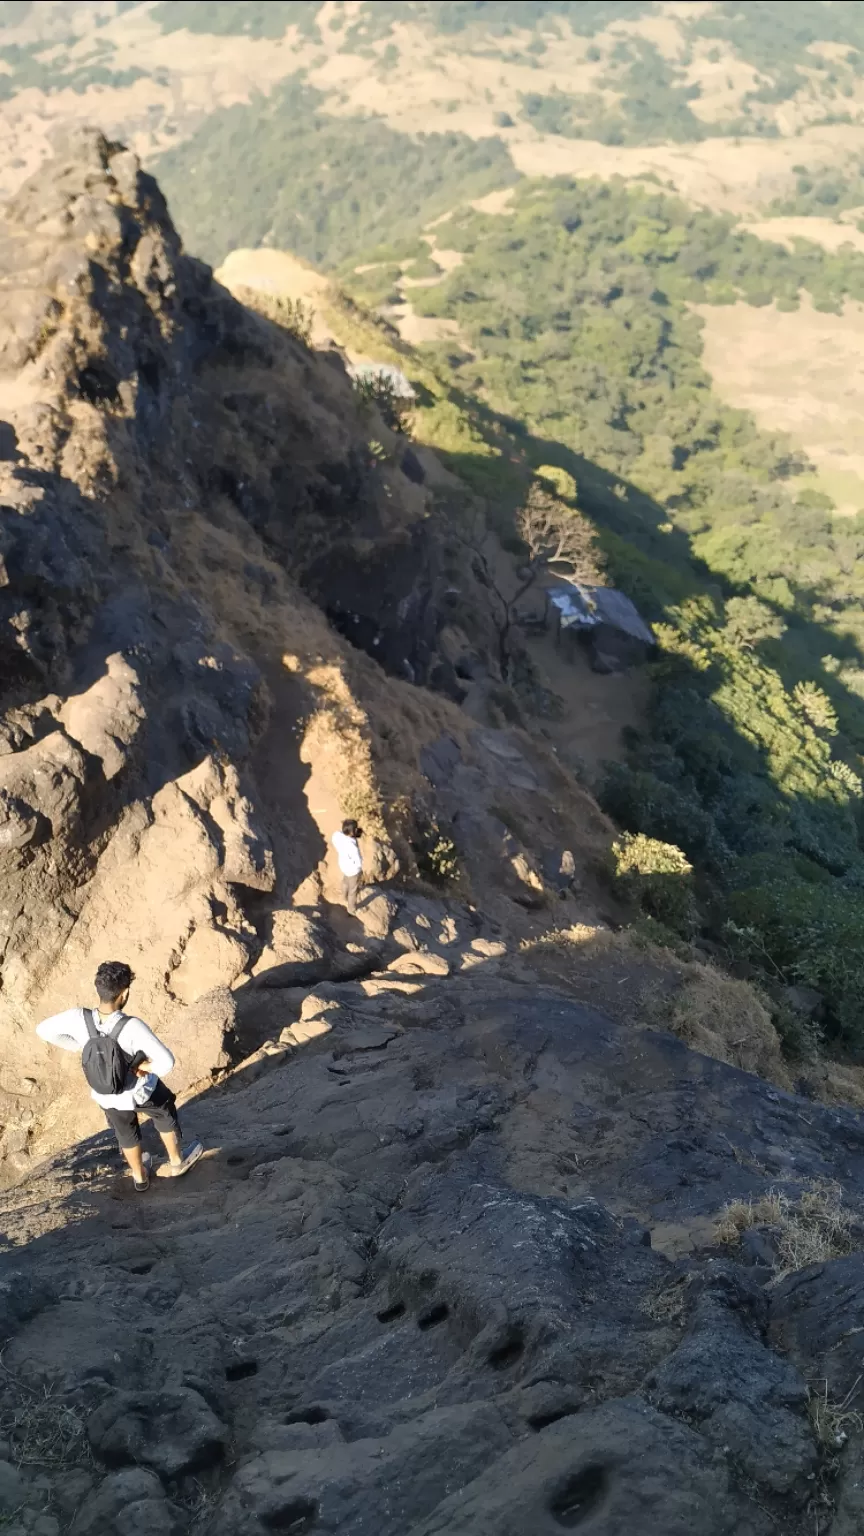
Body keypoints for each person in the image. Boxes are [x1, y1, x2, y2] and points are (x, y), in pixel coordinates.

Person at [36, 960, 203, 1192]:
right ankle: (176, 1162)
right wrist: (145, 1067)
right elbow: (167, 1063)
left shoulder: (77, 1018)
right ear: (124, 993)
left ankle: (140, 1176)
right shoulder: (132, 1026)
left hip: (106, 1094)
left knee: (125, 1131)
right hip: (139, 1091)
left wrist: (79, 1046)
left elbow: (43, 1030)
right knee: (164, 1109)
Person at [331, 818, 363, 914]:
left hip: (343, 865)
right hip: (353, 870)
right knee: (353, 890)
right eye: (355, 829)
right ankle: (351, 910)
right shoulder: (352, 845)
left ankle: (343, 896)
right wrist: (360, 868)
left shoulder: (337, 835)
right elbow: (358, 860)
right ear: (352, 832)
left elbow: (338, 835)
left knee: (345, 881)